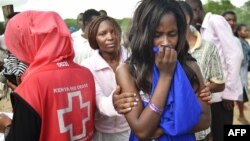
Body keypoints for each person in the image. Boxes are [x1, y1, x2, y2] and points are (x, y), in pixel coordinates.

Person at [115, 0, 211, 140]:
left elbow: (205, 120)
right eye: (157, 35)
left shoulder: (190, 67)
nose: (165, 42)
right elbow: (142, 131)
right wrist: (165, 76)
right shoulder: (128, 71)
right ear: (143, 34)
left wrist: (161, 129)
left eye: (172, 34)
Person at [0, 10, 96, 141]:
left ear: (30, 42)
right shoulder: (86, 73)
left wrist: (7, 126)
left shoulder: (32, 85)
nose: (17, 51)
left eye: (18, 43)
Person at [185, 0, 243, 141]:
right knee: (213, 134)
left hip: (222, 95)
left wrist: (229, 93)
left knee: (223, 133)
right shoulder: (200, 28)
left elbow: (234, 54)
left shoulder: (215, 21)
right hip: (210, 96)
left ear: (197, 11)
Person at [177, 1, 225, 140]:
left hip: (200, 129)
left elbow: (219, 83)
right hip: (172, 130)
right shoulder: (166, 48)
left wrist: (201, 89)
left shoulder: (208, 48)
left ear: (187, 18)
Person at [81, 16, 130, 141]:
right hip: (102, 133)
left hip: (131, 129)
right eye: (103, 34)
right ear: (94, 39)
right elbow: (98, 100)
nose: (110, 37)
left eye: (114, 32)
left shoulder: (132, 60)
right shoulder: (88, 66)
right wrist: (113, 103)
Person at [235, 23, 250, 124]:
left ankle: (241, 106)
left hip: (244, 69)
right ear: (239, 32)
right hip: (239, 70)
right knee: (241, 91)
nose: (247, 32)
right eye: (245, 30)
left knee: (243, 88)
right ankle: (241, 115)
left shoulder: (244, 41)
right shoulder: (238, 42)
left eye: (248, 30)